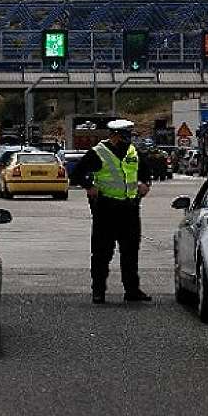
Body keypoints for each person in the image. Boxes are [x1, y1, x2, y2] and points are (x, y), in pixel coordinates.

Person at [71, 120, 153, 304]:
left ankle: (132, 290)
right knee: (102, 253)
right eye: (124, 136)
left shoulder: (133, 152)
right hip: (106, 209)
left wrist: (146, 184)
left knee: (130, 252)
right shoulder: (97, 152)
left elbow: (146, 171)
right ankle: (98, 291)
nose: (127, 140)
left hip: (130, 209)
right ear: (114, 135)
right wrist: (89, 186)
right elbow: (76, 174)